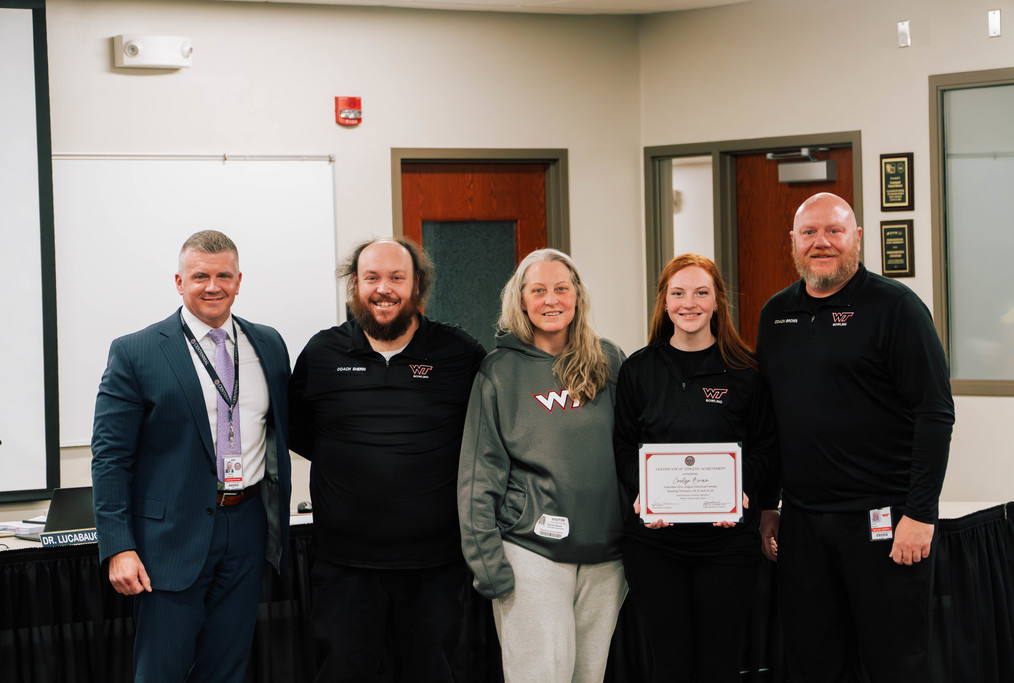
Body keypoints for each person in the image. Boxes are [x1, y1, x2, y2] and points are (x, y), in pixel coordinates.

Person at [756, 193, 955, 682]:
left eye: (834, 231)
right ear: (794, 243)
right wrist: (768, 506)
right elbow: (769, 420)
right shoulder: (775, 314)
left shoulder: (896, 308)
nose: (821, 242)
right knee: (812, 661)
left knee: (895, 662)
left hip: (884, 522)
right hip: (803, 524)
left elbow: (935, 413)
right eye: (809, 233)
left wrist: (920, 514)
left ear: (857, 238)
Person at [91, 230, 292, 683]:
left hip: (246, 528)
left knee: (228, 666)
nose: (212, 286)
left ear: (239, 281)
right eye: (199, 275)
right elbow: (110, 458)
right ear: (179, 282)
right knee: (161, 670)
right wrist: (118, 546)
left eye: (223, 275)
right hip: (169, 538)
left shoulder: (269, 344)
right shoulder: (137, 351)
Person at [288, 237, 485, 683]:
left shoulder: (459, 354)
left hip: (435, 564)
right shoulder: (322, 354)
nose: (384, 289)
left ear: (418, 286)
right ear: (354, 285)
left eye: (397, 277)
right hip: (344, 565)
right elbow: (301, 430)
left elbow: (486, 437)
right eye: (371, 277)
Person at [458, 248, 628, 683]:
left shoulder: (609, 361)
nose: (551, 300)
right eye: (539, 290)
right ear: (521, 299)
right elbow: (479, 475)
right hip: (531, 553)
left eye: (561, 288)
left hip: (606, 558)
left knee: (589, 677)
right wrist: (487, 563)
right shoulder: (498, 371)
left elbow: (633, 451)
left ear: (577, 297)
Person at [612, 254, 778, 683]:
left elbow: (765, 448)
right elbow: (624, 447)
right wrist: (644, 492)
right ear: (665, 304)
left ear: (718, 301)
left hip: (727, 545)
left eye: (701, 292)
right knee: (669, 665)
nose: (690, 303)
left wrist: (739, 488)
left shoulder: (747, 372)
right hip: (655, 543)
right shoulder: (638, 370)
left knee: (718, 665)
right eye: (679, 293)